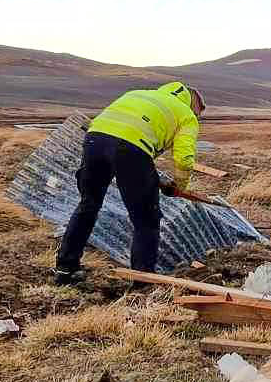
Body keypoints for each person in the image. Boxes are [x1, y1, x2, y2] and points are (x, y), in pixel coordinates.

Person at [54, 79, 204, 280]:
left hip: (94, 140)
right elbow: (184, 159)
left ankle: (66, 268)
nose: (197, 118)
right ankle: (142, 282)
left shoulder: (136, 94)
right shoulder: (186, 115)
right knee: (146, 220)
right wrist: (179, 186)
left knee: (87, 205)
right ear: (194, 105)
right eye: (199, 114)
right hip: (131, 149)